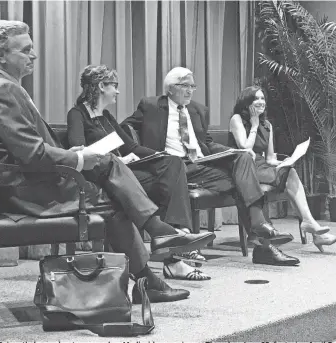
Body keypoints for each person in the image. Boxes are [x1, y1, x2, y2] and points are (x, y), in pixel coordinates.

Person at [0, 20, 215, 304]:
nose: (33, 55)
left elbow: (26, 149)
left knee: (111, 174)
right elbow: (32, 154)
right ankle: (157, 242)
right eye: (25, 50)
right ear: (1, 55)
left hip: (12, 187)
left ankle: (154, 254)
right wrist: (78, 158)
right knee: (112, 190)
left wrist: (75, 155)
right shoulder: (5, 90)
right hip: (25, 194)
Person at [122, 67, 299, 266]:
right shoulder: (151, 106)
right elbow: (123, 130)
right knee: (241, 180)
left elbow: (206, 143)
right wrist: (138, 153)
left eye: (192, 86)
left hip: (199, 165)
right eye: (184, 86)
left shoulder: (198, 110)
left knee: (242, 161)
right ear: (170, 89)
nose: (189, 91)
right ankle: (262, 239)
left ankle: (260, 232)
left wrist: (232, 151)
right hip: (170, 168)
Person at [66, 64, 211, 281]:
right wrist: (118, 159)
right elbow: (79, 149)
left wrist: (160, 156)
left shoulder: (106, 116)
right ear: (99, 87)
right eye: (113, 86)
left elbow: (131, 148)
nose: (117, 91)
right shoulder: (77, 114)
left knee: (172, 166)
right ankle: (173, 248)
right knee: (166, 185)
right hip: (104, 177)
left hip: (125, 172)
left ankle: (176, 232)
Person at [229, 86, 336, 252]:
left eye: (263, 98)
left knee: (290, 171)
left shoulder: (267, 125)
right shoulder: (237, 119)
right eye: (256, 99)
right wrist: (254, 125)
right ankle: (313, 229)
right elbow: (245, 148)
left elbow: (269, 158)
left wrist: (285, 161)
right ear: (246, 103)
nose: (261, 102)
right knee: (289, 175)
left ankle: (313, 228)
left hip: (262, 165)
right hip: (246, 168)